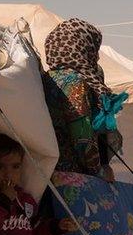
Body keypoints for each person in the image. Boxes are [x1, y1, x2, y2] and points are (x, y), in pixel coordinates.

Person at [42, 18, 123, 180]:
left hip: (49, 170)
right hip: (74, 176)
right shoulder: (74, 83)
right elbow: (82, 137)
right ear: (81, 48)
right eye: (93, 48)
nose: (97, 57)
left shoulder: (48, 77)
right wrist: (99, 171)